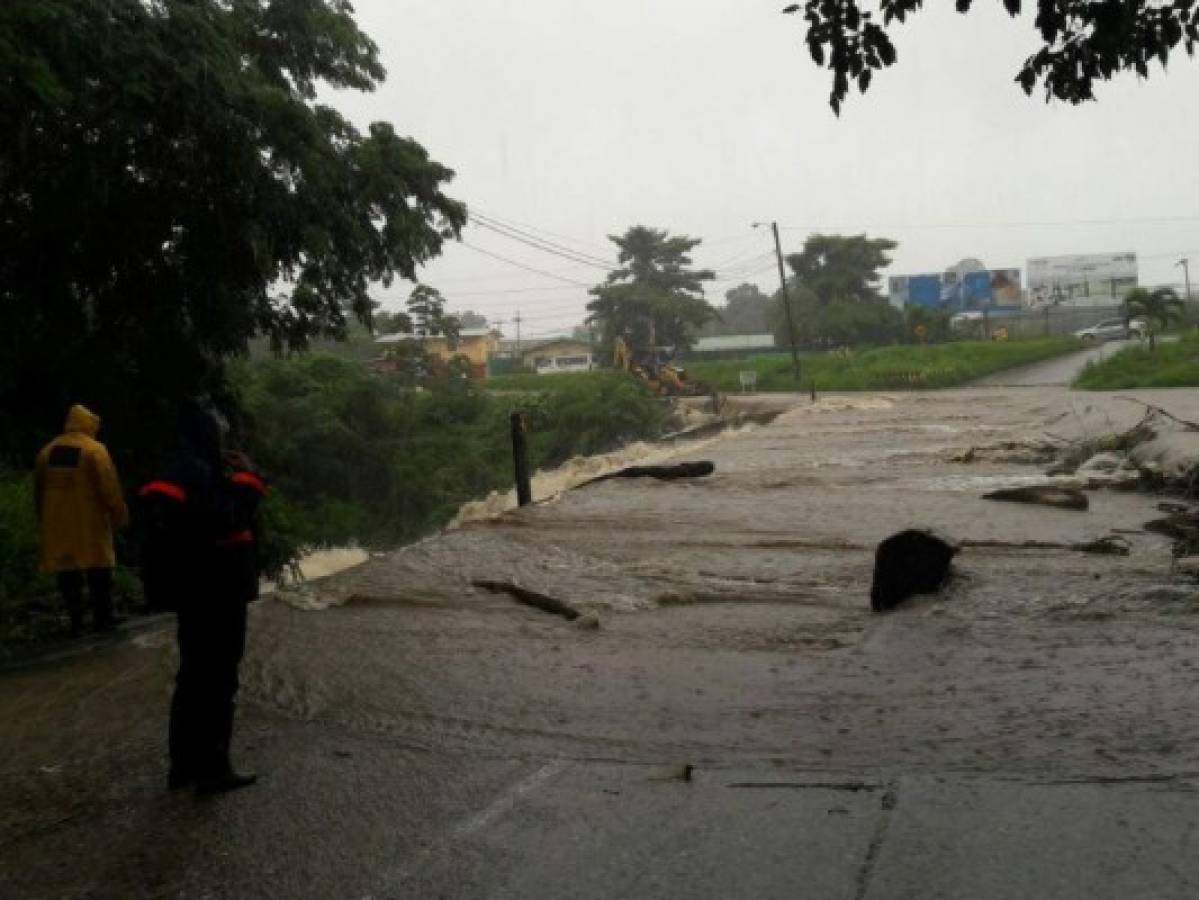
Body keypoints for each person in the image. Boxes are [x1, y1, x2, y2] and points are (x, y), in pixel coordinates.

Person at [139, 402, 266, 794]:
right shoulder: (200, 473)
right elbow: (229, 517)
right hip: (218, 589)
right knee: (218, 678)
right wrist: (247, 477)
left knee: (192, 676)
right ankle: (213, 769)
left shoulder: (177, 470)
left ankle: (183, 768)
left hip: (193, 591)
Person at [34, 404, 129, 636]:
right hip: (90, 523)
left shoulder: (47, 452)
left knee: (67, 575)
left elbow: (39, 490)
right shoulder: (95, 450)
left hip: (58, 525)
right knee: (99, 571)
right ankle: (102, 619)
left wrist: (43, 519)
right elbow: (110, 489)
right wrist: (119, 515)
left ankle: (76, 623)